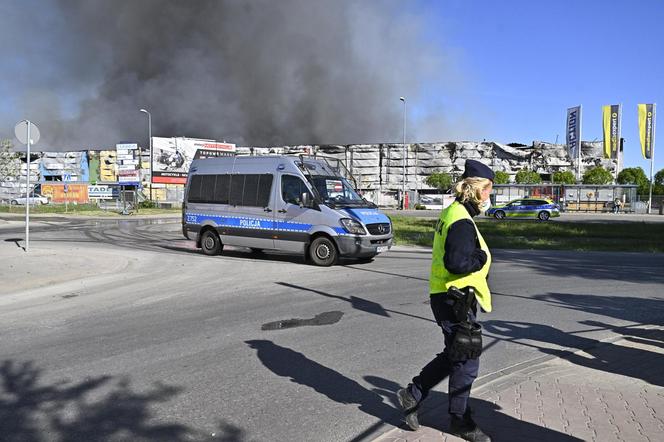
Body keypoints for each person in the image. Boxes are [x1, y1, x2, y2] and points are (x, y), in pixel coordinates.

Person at [397, 159, 494, 442]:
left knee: (455, 353)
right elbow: (457, 262)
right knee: (466, 358)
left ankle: (412, 394)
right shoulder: (461, 220)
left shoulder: (453, 212)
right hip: (455, 298)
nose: (490, 195)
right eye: (488, 189)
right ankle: (459, 421)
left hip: (447, 296)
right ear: (476, 189)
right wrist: (481, 257)